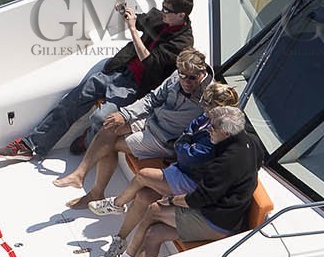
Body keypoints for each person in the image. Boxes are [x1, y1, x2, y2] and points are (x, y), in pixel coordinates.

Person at [0, 0, 195, 159]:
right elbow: (142, 21)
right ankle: (32, 145)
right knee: (72, 101)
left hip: (136, 85)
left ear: (181, 16)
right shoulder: (161, 18)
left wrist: (133, 29)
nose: (162, 13)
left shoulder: (182, 44)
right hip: (118, 68)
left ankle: (88, 140)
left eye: (167, 10)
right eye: (162, 7)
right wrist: (127, 13)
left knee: (100, 118)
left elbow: (150, 62)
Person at [97, 105, 264, 257]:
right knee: (154, 233)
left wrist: (170, 200)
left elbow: (197, 199)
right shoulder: (252, 142)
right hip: (228, 215)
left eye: (213, 127)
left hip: (217, 221)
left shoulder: (225, 163)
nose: (209, 130)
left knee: (155, 209)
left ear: (227, 133)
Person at [55, 49, 212, 207]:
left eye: (192, 78)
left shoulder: (210, 96)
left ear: (202, 72)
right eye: (182, 75)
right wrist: (125, 114)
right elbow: (152, 99)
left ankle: (95, 193)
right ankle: (79, 175)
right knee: (109, 127)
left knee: (109, 145)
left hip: (163, 139)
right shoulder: (176, 77)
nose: (185, 81)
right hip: (152, 120)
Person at [79, 81, 239, 214]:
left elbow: (193, 155)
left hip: (192, 178)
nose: (201, 105)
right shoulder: (206, 117)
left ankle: (115, 204)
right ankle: (121, 238)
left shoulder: (219, 132)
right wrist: (184, 143)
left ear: (217, 108)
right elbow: (188, 132)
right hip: (180, 163)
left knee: (142, 175)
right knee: (143, 195)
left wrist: (182, 144)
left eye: (206, 103)